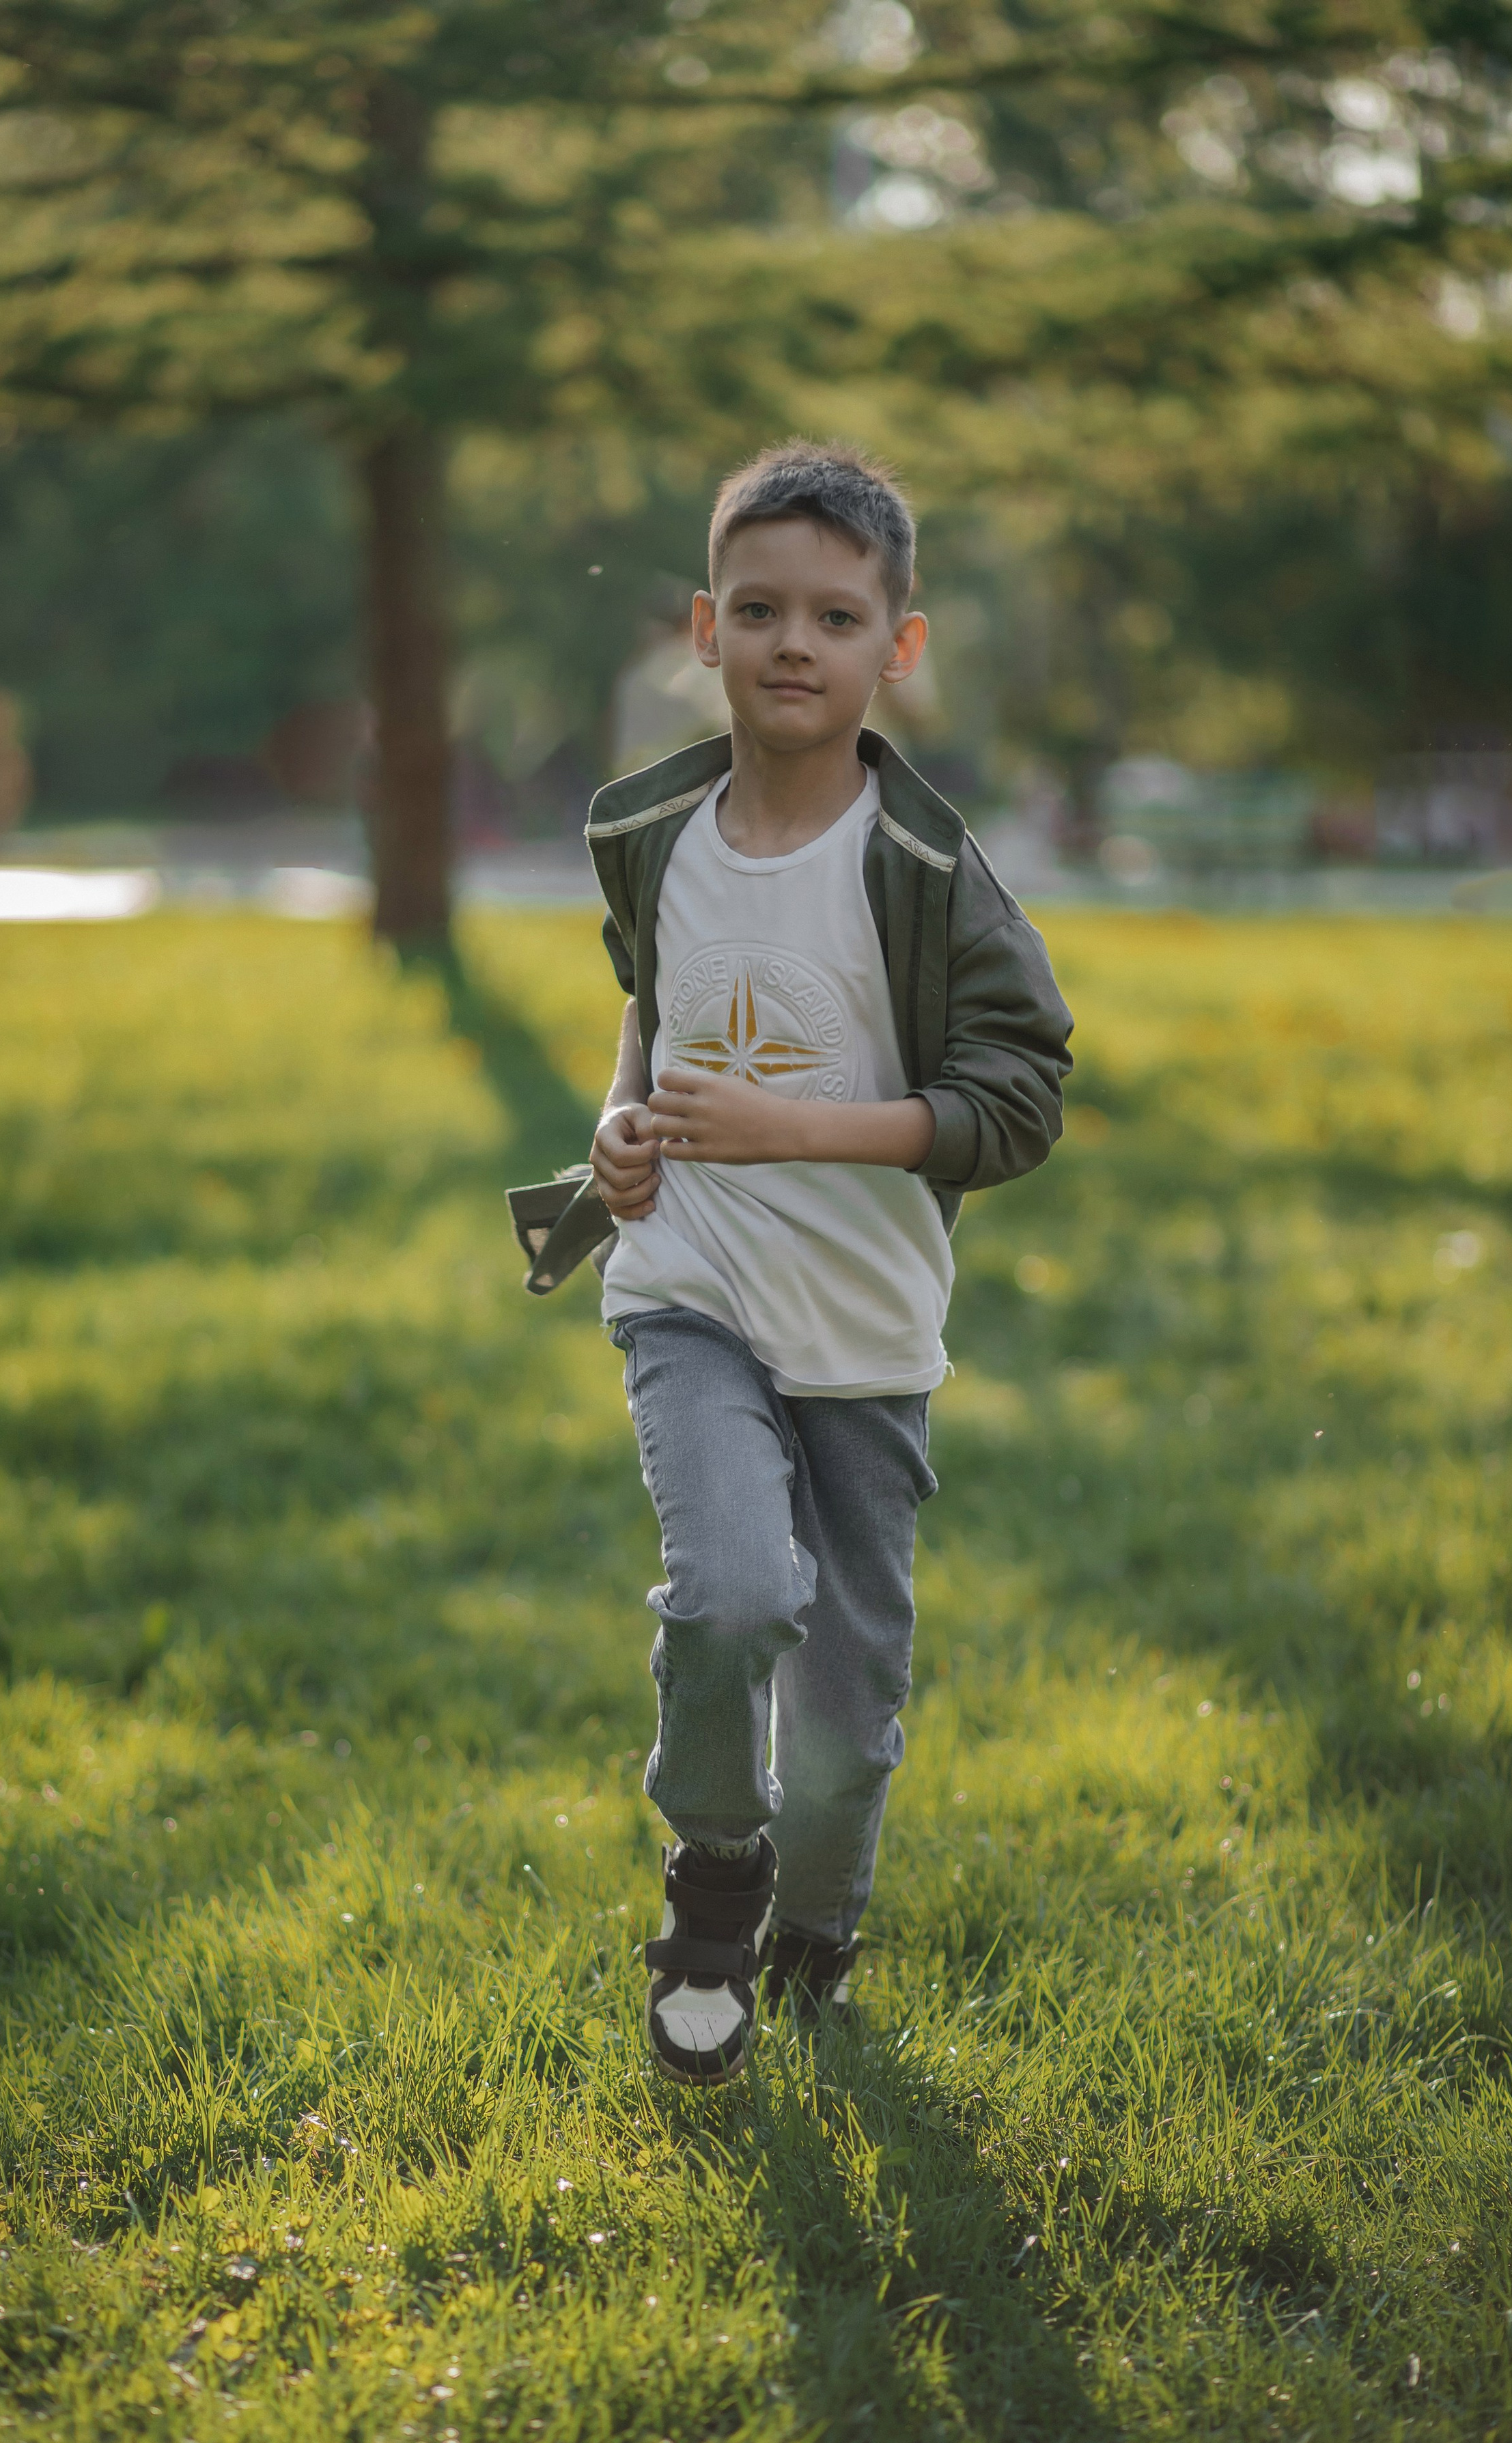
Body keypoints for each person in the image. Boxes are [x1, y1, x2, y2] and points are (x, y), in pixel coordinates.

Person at [583, 440, 1074, 2085]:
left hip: (862, 1339)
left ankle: (817, 1930)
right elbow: (650, 1020)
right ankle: (713, 1881)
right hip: (694, 1300)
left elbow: (1017, 1103)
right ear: (704, 626)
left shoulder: (925, 872)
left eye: (839, 617)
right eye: (764, 610)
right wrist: (617, 1131)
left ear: (895, 649)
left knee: (848, 1735)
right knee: (729, 1599)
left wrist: (806, 1133)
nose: (797, 644)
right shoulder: (648, 829)